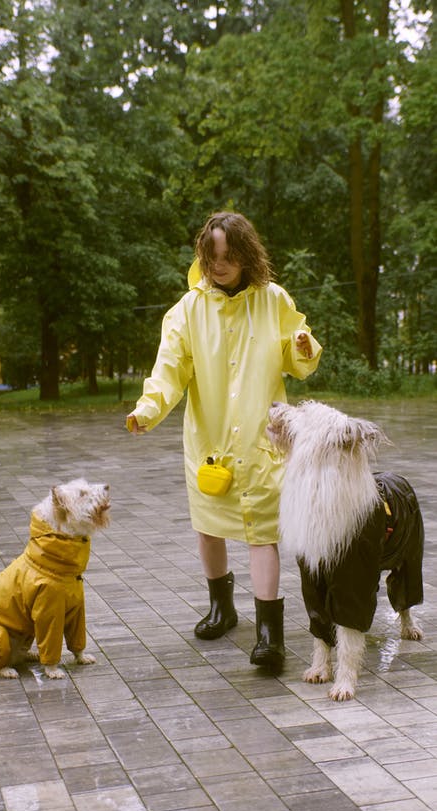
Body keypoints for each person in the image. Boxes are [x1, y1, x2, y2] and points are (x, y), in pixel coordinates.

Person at [126, 211, 322, 675]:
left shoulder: (273, 300)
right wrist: (147, 409)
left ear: (245, 255)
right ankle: (222, 606)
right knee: (209, 526)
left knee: (263, 531)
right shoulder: (188, 310)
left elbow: (299, 358)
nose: (218, 265)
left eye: (228, 257)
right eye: (211, 256)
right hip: (210, 440)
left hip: (262, 440)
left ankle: (269, 634)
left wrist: (303, 346)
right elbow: (168, 370)